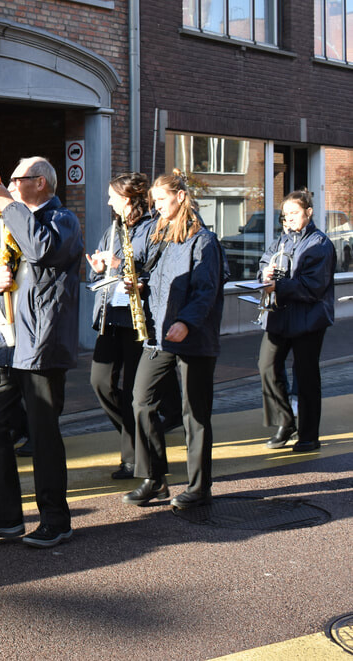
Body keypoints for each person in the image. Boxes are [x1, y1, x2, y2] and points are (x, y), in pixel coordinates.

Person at [0, 157, 83, 549]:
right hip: (1, 345)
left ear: (43, 184)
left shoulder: (63, 220)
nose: (10, 183)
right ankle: (4, 517)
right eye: (10, 179)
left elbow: (41, 249)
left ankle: (55, 519)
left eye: (20, 178)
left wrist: (9, 207)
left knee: (43, 433)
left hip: (41, 344)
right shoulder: (3, 222)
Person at [123, 173, 227, 511]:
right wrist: (140, 287)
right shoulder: (161, 235)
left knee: (194, 413)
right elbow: (156, 278)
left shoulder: (204, 240)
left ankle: (199, 487)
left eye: (162, 200)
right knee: (141, 400)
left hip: (192, 337)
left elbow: (206, 290)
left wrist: (186, 321)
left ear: (181, 197)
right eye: (154, 201)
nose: (156, 206)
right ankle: (154, 479)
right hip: (160, 334)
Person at [86, 173, 183, 480]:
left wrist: (124, 268)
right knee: (100, 382)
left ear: (126, 199)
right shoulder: (113, 228)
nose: (108, 201)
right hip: (111, 314)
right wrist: (100, 270)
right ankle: (137, 440)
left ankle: (136, 459)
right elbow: (99, 277)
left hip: (140, 319)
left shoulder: (153, 228)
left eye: (112, 197)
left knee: (135, 391)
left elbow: (157, 271)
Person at [257, 190, 335, 452]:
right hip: (280, 313)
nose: (288, 219)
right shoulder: (281, 240)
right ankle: (285, 421)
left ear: (308, 213)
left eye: (294, 213)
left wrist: (279, 285)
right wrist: (265, 272)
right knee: (267, 365)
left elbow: (313, 286)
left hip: (309, 318)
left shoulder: (319, 243)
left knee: (306, 375)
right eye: (285, 214)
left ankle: (309, 435)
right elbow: (265, 262)